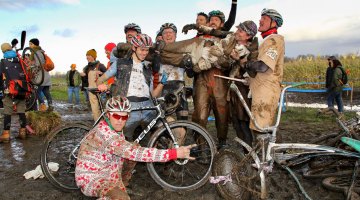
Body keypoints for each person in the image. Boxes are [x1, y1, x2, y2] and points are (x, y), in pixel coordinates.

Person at [75, 96, 196, 199]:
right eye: (116, 116)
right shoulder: (105, 134)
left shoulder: (113, 127)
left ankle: (122, 185)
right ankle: (115, 192)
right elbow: (136, 153)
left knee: (134, 148)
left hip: (107, 170)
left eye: (124, 117)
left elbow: (131, 151)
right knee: (120, 197)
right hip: (91, 178)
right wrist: (174, 153)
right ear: (108, 115)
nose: (120, 121)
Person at [96, 33, 165, 141]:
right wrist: (102, 85)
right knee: (124, 142)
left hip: (148, 106)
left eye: (147, 50)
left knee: (163, 131)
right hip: (128, 107)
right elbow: (100, 80)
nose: (145, 53)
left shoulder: (147, 67)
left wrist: (162, 83)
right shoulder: (120, 63)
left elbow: (153, 95)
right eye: (142, 50)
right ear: (134, 48)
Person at [243, 8, 284, 137]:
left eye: (265, 18)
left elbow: (263, 67)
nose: (260, 21)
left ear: (274, 23)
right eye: (261, 18)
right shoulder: (267, 41)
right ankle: (265, 156)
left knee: (261, 130)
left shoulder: (274, 40)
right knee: (259, 128)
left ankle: (267, 156)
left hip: (266, 93)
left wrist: (246, 63)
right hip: (262, 90)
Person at [0, 43, 28, 142]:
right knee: (21, 110)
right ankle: (23, 131)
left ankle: (6, 134)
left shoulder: (3, 62)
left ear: (3, 51)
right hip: (22, 88)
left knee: (8, 111)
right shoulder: (20, 60)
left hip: (9, 90)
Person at [80, 49, 107, 121]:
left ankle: (106, 122)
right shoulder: (86, 67)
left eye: (88, 55)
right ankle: (97, 123)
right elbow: (86, 81)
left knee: (103, 107)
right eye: (86, 55)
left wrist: (101, 73)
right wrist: (83, 76)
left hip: (101, 90)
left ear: (93, 56)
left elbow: (108, 75)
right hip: (91, 90)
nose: (87, 57)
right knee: (94, 109)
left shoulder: (100, 65)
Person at [29, 38, 54, 111]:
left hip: (41, 76)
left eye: (31, 44)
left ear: (35, 44)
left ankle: (42, 106)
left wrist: (30, 67)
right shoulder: (41, 52)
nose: (30, 46)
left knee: (37, 92)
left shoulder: (37, 53)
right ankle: (50, 105)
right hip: (46, 75)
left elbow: (39, 64)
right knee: (46, 92)